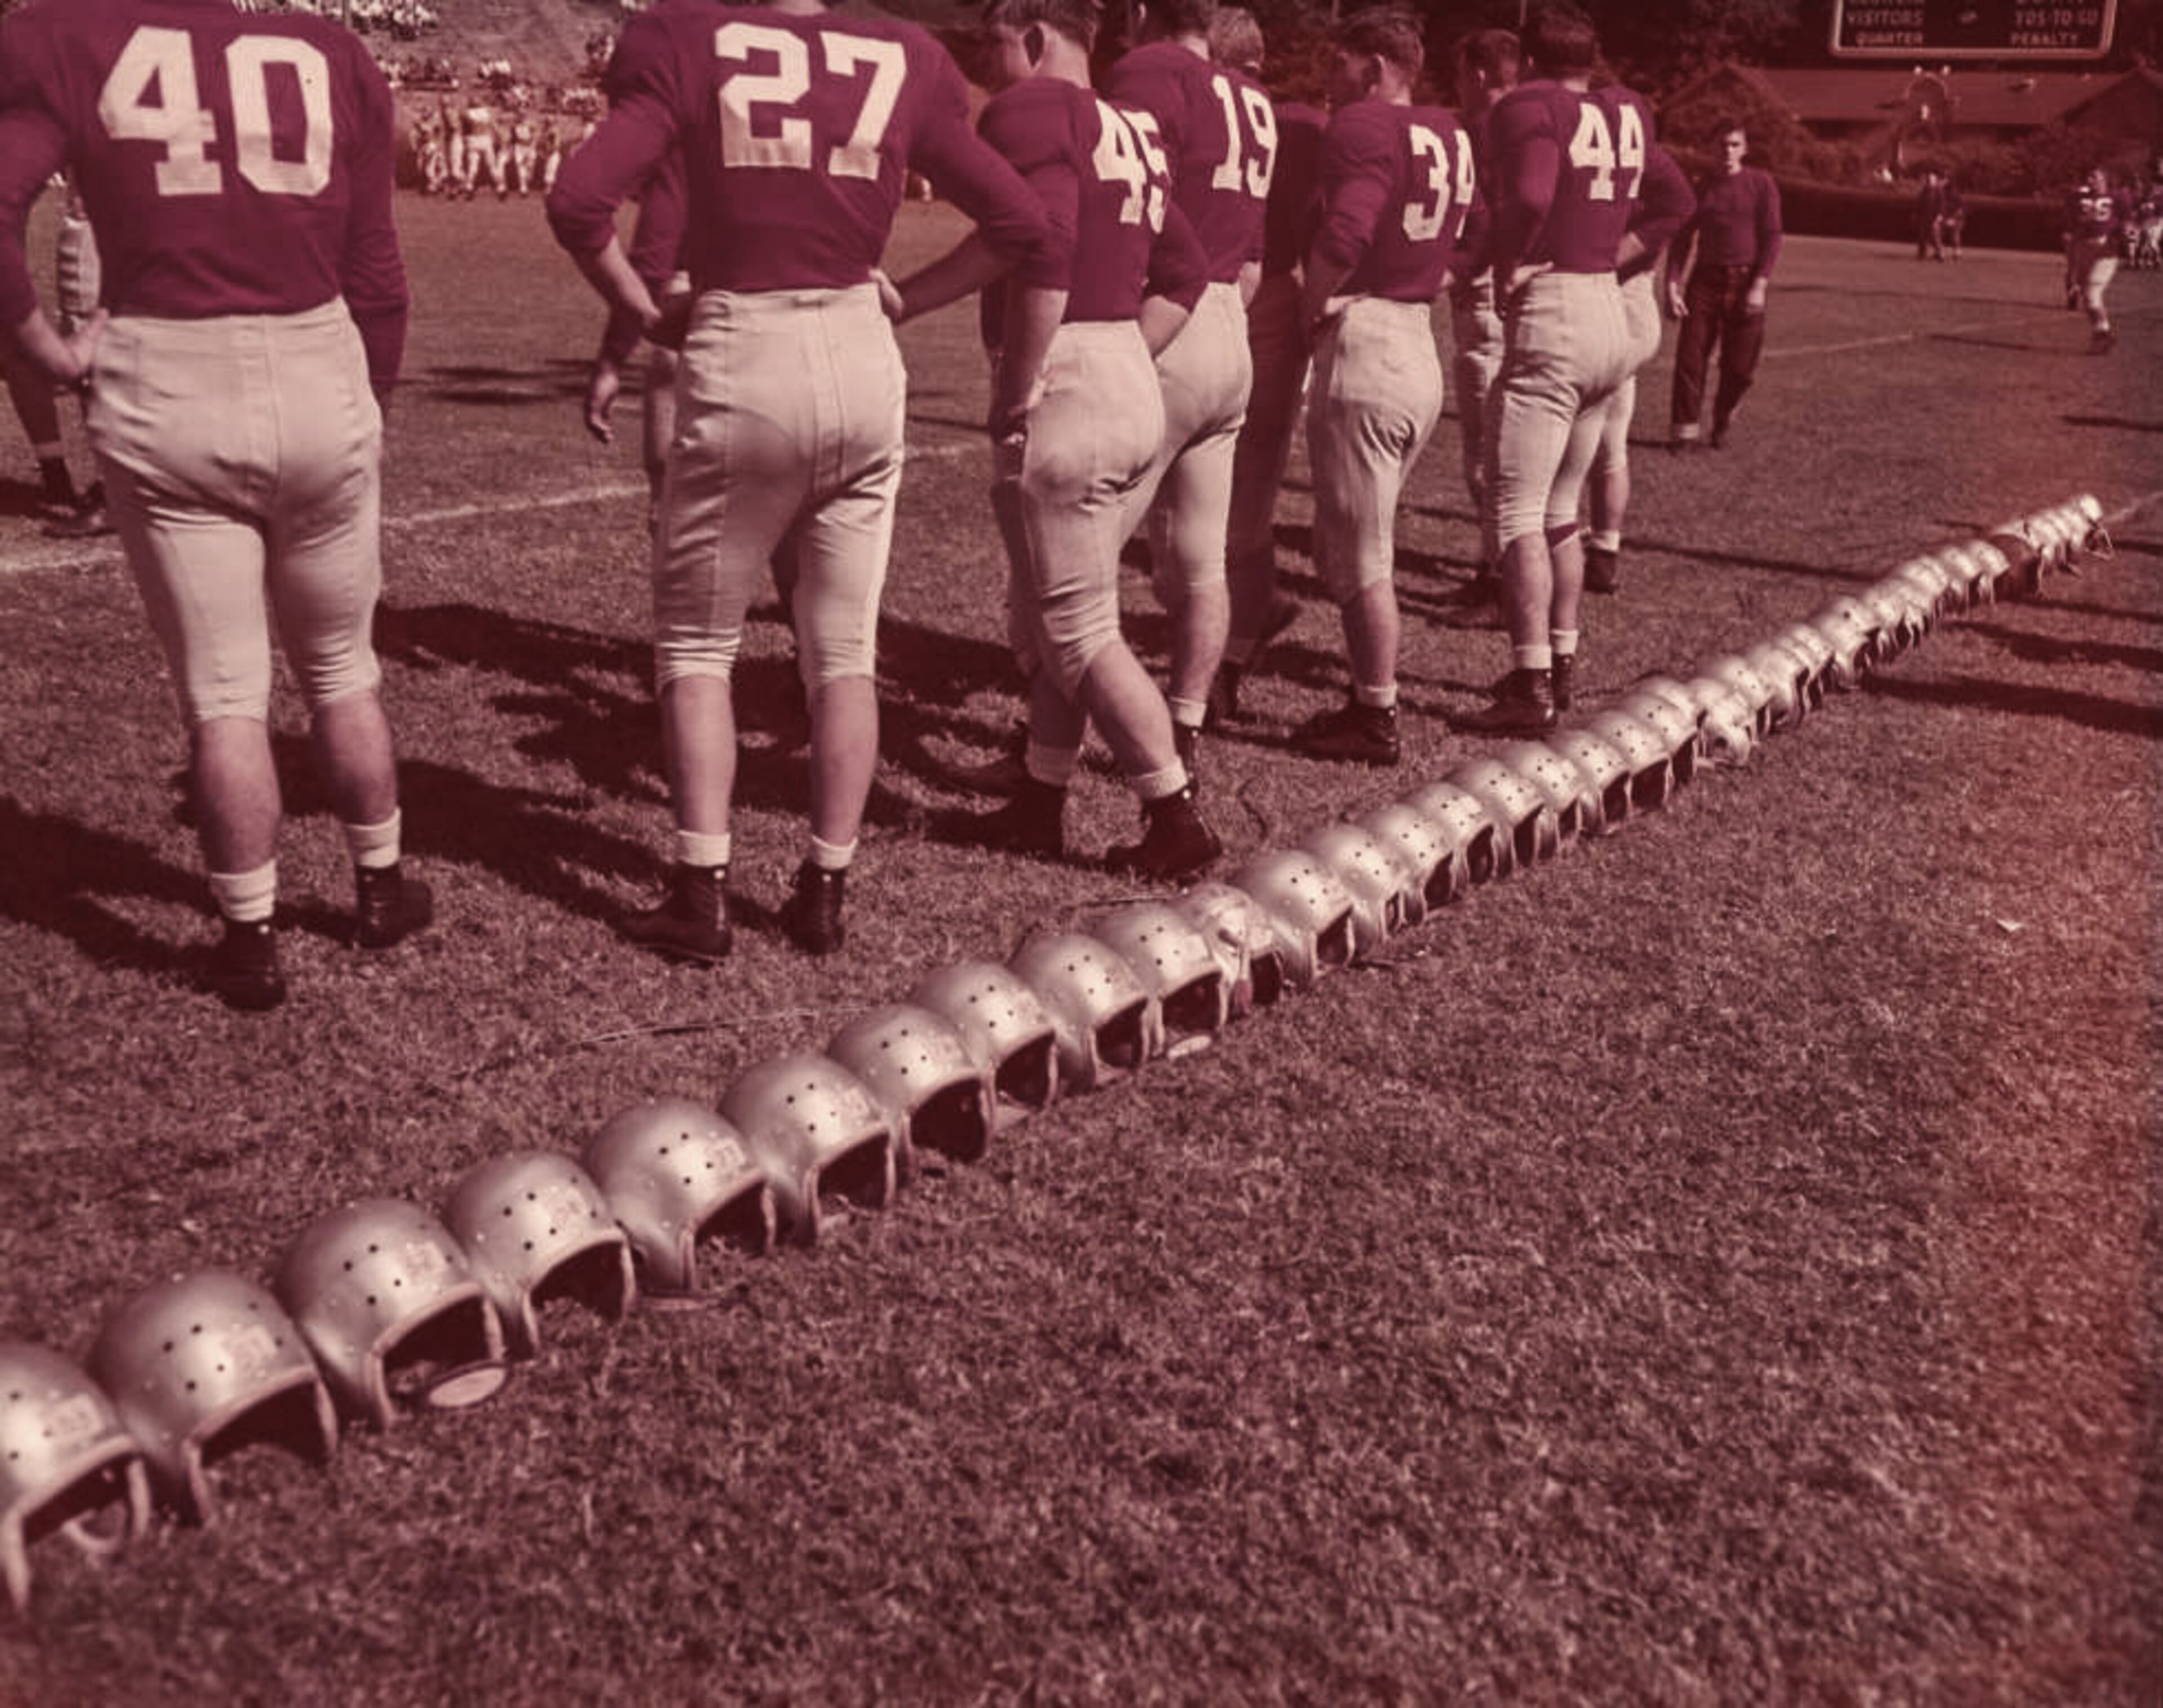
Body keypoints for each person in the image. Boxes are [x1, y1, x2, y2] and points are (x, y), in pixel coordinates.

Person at [547, 0, 1056, 958]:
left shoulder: (685, 35)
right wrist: (909, 296)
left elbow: (578, 202)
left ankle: (703, 893)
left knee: (698, 645)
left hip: (749, 341)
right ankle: (825, 886)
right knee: (843, 651)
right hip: (861, 350)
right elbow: (1020, 222)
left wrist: (642, 312)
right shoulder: (901, 51)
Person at [0, 0, 434, 1011]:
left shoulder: (66, 36)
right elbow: (378, 267)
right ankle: (379, 886)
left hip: (168, 368)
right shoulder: (329, 47)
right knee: (342, 666)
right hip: (317, 357)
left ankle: (250, 940)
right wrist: (370, 397)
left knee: (225, 690)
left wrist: (47, 349)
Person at [886, 0, 1223, 879]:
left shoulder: (1032, 108)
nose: (985, 62)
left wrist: (1021, 382)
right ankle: (1039, 795)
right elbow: (1186, 273)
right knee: (1067, 612)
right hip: (1121, 365)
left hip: (1070, 372)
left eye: (993, 42)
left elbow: (1041, 243)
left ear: (1034, 36)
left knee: (1074, 633)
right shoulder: (1132, 127)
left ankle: (1173, 812)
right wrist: (1119, 356)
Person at [1451, 2, 1650, 737]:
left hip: (1557, 310)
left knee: (1514, 511)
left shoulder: (1530, 106)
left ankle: (1530, 680)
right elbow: (1670, 195)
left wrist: (1501, 261)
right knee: (1561, 508)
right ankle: (1562, 661)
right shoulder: (1625, 110)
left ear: (1529, 61)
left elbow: (1532, 194)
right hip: (1608, 307)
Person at [1287, 6, 1472, 766]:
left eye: (1338, 66)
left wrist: (1310, 307)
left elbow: (1345, 233)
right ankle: (1367, 698)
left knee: (1363, 557)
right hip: (1416, 339)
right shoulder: (1450, 131)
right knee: (1350, 545)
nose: (1331, 82)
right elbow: (1477, 229)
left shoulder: (1363, 126)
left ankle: (1376, 715)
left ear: (1372, 67)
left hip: (1369, 343)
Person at [1101, 0, 1273, 790]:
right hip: (1228, 326)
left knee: (1085, 553)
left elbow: (1127, 191)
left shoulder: (1150, 71)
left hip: (1168, 316)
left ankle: (1051, 746)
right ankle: (1186, 719)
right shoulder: (1250, 97)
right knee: (1204, 558)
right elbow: (1252, 259)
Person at [1210, 3, 1322, 725]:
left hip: (1251, 299)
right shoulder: (1304, 125)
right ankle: (1247, 623)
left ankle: (1222, 660)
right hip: (1277, 299)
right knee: (1238, 503)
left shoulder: (1214, 107)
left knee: (1209, 509)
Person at [1582, 136, 1692, 596]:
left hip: (1620, 302)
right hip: (1624, 305)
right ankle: (1604, 550)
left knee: (1584, 438)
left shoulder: (1637, 160)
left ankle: (1569, 547)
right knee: (1610, 442)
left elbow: (1683, 205)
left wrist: (1619, 252)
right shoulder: (1624, 162)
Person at [1446, 25, 1520, 604]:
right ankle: (1500, 566)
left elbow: (1486, 220)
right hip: (1530, 299)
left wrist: (1460, 269)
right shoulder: (1537, 120)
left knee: (1488, 456)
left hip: (1487, 298)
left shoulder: (1483, 131)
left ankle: (1498, 577)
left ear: (1476, 74)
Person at [1665, 118, 1780, 449]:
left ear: (1744, 149)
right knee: (1691, 358)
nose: (1727, 151)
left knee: (1740, 367)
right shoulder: (1701, 188)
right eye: (1721, 145)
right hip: (1706, 281)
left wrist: (1759, 284)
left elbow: (1772, 237)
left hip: (1746, 281)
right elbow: (1683, 239)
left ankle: (1724, 416)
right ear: (1711, 148)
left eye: (1734, 145)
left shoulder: (1761, 184)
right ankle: (1684, 432)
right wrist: (1673, 284)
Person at [2063, 167, 2128, 354]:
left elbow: (2128, 221)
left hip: (2106, 251)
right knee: (2088, 298)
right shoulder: (2077, 199)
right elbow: (2072, 227)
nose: (2091, 180)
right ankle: (2101, 334)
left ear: (2105, 180)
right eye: (2089, 176)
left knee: (2092, 294)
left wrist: (2123, 235)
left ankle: (2104, 334)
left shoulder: (2117, 197)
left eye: (2095, 177)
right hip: (2084, 248)